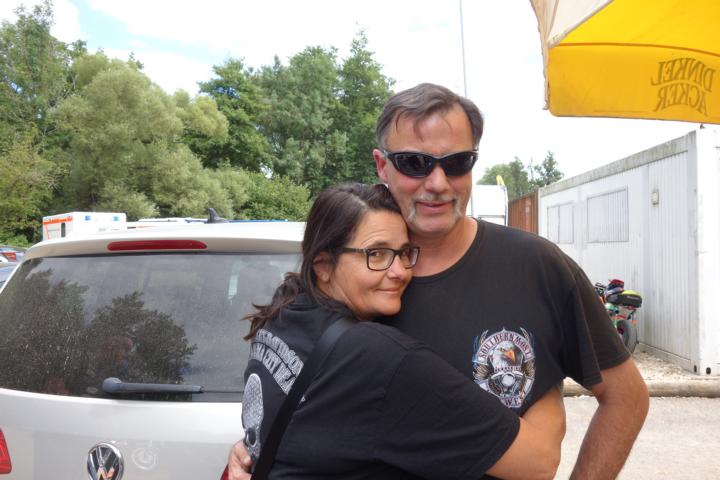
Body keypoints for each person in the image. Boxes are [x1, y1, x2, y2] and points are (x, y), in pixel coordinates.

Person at [229, 83, 649, 479]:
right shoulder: (347, 277)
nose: (437, 183)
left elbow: (626, 397)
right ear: (382, 165)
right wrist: (260, 446)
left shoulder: (537, 266)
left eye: (457, 163)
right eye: (414, 163)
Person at [238, 182, 561, 479]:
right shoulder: (377, 358)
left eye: (404, 253)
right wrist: (548, 376)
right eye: (376, 254)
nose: (399, 271)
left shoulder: (283, 314)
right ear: (323, 265)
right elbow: (539, 461)